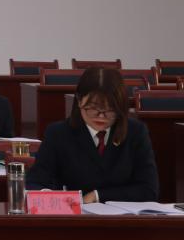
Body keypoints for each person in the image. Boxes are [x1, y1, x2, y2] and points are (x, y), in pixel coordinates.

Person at [27, 67, 158, 203]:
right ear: (79, 101)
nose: (101, 116)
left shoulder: (136, 132)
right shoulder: (58, 133)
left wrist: (98, 195)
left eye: (110, 109)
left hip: (122, 215)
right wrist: (51, 197)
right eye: (93, 108)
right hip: (73, 213)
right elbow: (35, 182)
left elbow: (149, 190)